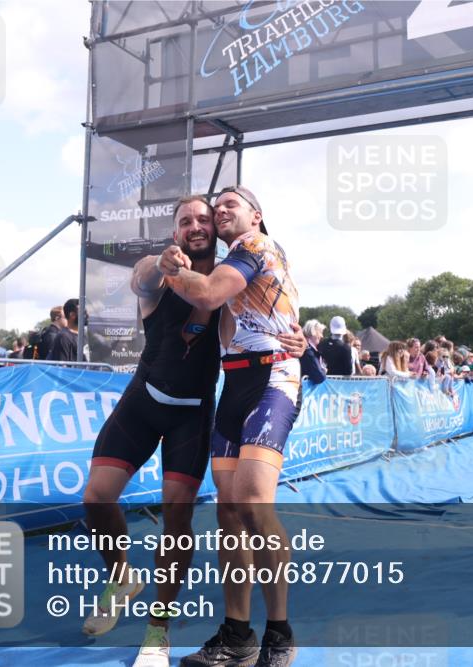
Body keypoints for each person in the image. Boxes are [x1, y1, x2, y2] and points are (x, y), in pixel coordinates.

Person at [81, 194, 307, 667]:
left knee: (181, 522)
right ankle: (122, 577)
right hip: (143, 401)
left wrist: (304, 342)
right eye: (186, 221)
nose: (199, 225)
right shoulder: (163, 269)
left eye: (205, 217)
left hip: (196, 413)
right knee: (97, 497)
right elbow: (141, 277)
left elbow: (263, 310)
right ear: (176, 232)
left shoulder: (232, 277)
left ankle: (158, 632)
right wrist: (158, 263)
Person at [166, 185, 302, 666]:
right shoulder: (234, 261)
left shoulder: (255, 245)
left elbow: (206, 293)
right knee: (228, 512)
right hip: (235, 384)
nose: (221, 210)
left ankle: (280, 634)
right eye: (216, 206)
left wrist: (168, 267)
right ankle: (237, 636)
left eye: (231, 204)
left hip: (272, 379)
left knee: (251, 503)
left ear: (256, 215)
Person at [299, 319, 327, 384]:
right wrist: (323, 370)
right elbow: (320, 377)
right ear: (313, 332)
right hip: (303, 388)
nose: (322, 336)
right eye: (320, 332)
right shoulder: (308, 351)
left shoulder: (307, 348)